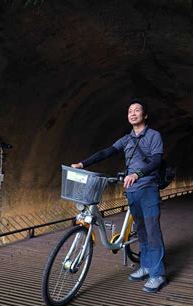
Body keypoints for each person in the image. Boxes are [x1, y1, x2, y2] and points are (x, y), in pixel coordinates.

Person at [71, 99, 167, 293]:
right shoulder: (126, 139)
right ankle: (146, 266)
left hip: (147, 189)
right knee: (141, 232)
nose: (133, 113)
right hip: (131, 191)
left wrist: (137, 174)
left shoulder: (154, 135)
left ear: (145, 115)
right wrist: (83, 164)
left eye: (137, 110)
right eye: (130, 111)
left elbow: (157, 160)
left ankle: (158, 274)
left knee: (152, 231)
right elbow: (107, 152)